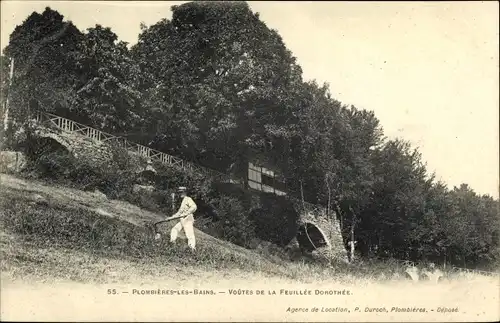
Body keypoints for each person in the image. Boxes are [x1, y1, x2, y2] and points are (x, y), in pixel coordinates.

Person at [158, 186, 197, 251]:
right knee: (174, 229)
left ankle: (192, 249)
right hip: (182, 219)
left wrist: (187, 213)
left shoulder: (188, 199)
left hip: (188, 219)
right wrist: (170, 218)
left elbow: (194, 207)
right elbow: (178, 213)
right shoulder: (182, 202)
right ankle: (172, 243)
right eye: (179, 192)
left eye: (182, 192)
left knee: (189, 234)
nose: (180, 194)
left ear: (185, 192)